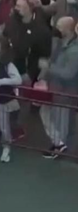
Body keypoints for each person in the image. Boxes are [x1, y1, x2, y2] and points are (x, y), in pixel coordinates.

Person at [37, 17, 78, 159]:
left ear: (68, 29)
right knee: (51, 115)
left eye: (60, 26)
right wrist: (43, 77)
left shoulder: (74, 51)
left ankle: (60, 147)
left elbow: (68, 73)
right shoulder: (60, 44)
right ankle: (60, 144)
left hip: (66, 92)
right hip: (56, 89)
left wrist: (49, 67)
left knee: (64, 122)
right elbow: (52, 59)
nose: (56, 28)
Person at [3, 0, 52, 84]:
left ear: (29, 9)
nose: (15, 9)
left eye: (19, 6)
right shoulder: (12, 21)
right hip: (8, 64)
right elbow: (4, 36)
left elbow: (44, 56)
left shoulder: (41, 30)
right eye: (16, 6)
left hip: (27, 70)